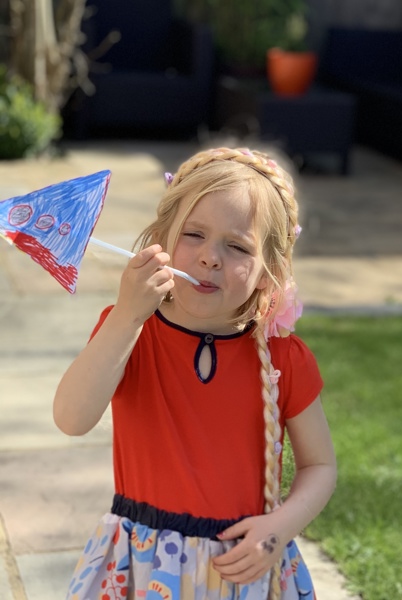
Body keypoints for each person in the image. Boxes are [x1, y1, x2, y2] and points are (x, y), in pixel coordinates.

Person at [53, 147, 337, 599]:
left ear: (271, 272)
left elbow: (320, 465)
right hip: (139, 568)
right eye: (194, 235)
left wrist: (277, 530)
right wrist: (127, 315)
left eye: (237, 246)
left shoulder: (285, 358)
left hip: (241, 568)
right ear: (161, 239)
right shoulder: (130, 330)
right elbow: (71, 417)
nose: (210, 257)